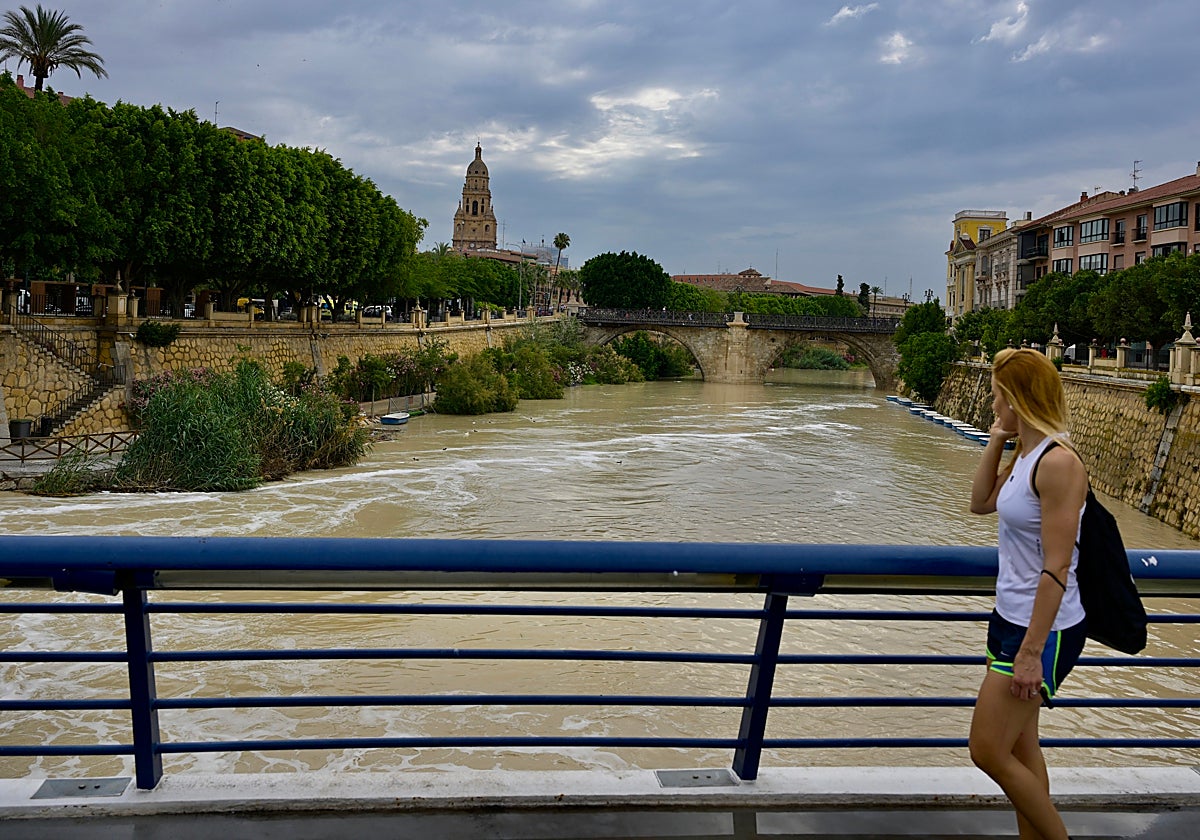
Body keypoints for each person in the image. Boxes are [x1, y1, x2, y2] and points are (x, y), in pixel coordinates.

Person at [968, 348, 1088, 840]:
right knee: (1021, 748)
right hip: (1010, 616)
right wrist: (998, 440)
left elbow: (1057, 565)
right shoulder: (1027, 454)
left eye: (998, 402)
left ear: (1019, 400)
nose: (993, 409)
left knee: (987, 750)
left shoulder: (1059, 463)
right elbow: (979, 503)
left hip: (1041, 629)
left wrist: (1031, 652)